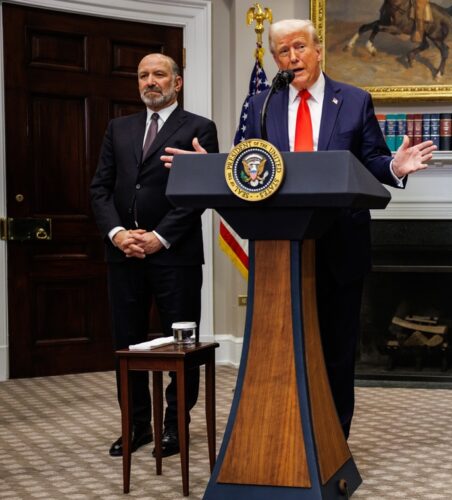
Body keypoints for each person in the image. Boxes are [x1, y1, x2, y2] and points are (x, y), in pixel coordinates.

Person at [163, 19, 435, 438]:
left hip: (340, 243)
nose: (292, 58)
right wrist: (204, 167)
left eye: (300, 47)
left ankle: (332, 438)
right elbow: (245, 167)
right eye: (283, 52)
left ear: (318, 49)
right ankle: (286, 432)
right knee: (282, 347)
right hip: (279, 246)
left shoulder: (354, 100)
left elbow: (373, 160)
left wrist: (395, 168)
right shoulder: (260, 104)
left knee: (336, 349)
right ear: (275, 59)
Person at [90, 53, 219, 458]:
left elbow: (200, 194)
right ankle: (136, 427)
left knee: (182, 346)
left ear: (176, 82)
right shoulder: (119, 128)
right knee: (126, 345)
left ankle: (174, 428)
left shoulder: (199, 128)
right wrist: (117, 234)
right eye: (143, 75)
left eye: (159, 74)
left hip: (174, 256)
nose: (150, 81)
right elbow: (100, 189)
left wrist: (159, 237)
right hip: (124, 255)